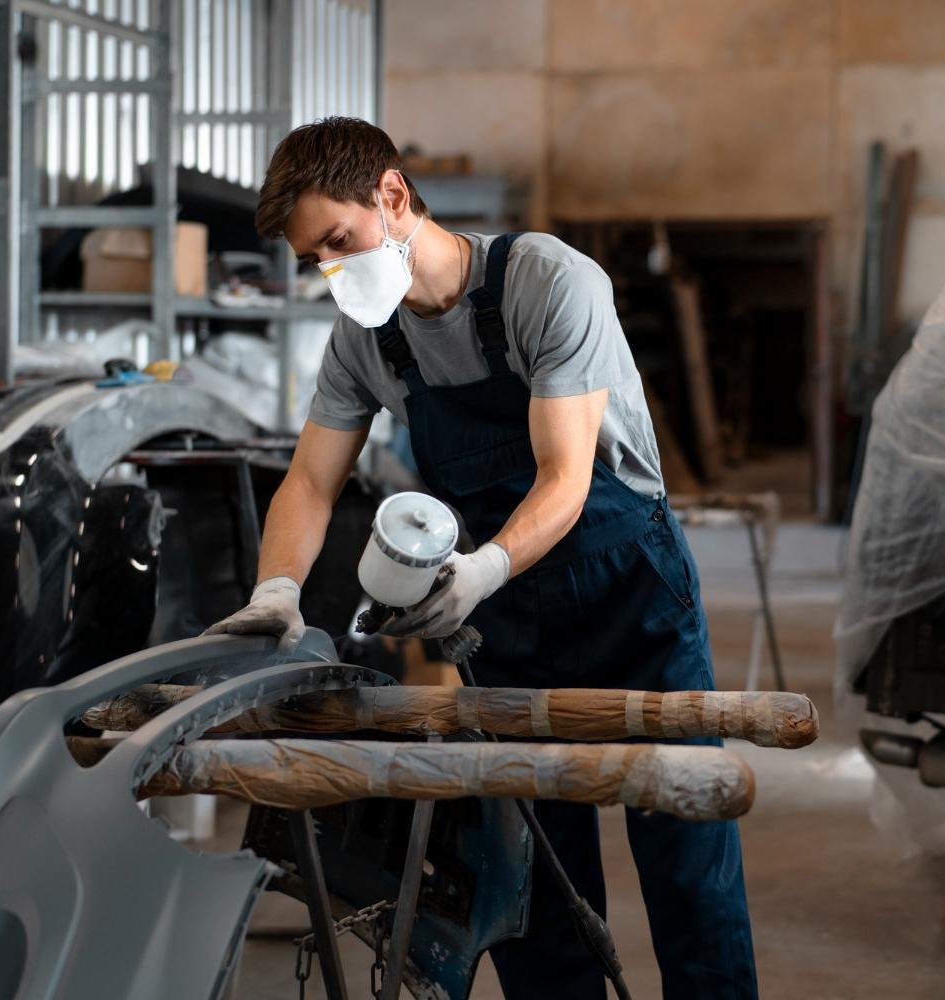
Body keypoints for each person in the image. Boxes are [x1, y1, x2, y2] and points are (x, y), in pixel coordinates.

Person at [206, 117, 757, 998]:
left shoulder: (547, 282)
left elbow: (567, 479)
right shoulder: (368, 339)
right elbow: (310, 481)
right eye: (317, 260)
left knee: (687, 862)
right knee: (536, 895)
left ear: (391, 194)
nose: (334, 273)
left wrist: (479, 572)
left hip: (629, 599)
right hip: (509, 623)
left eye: (339, 243)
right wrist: (278, 592)